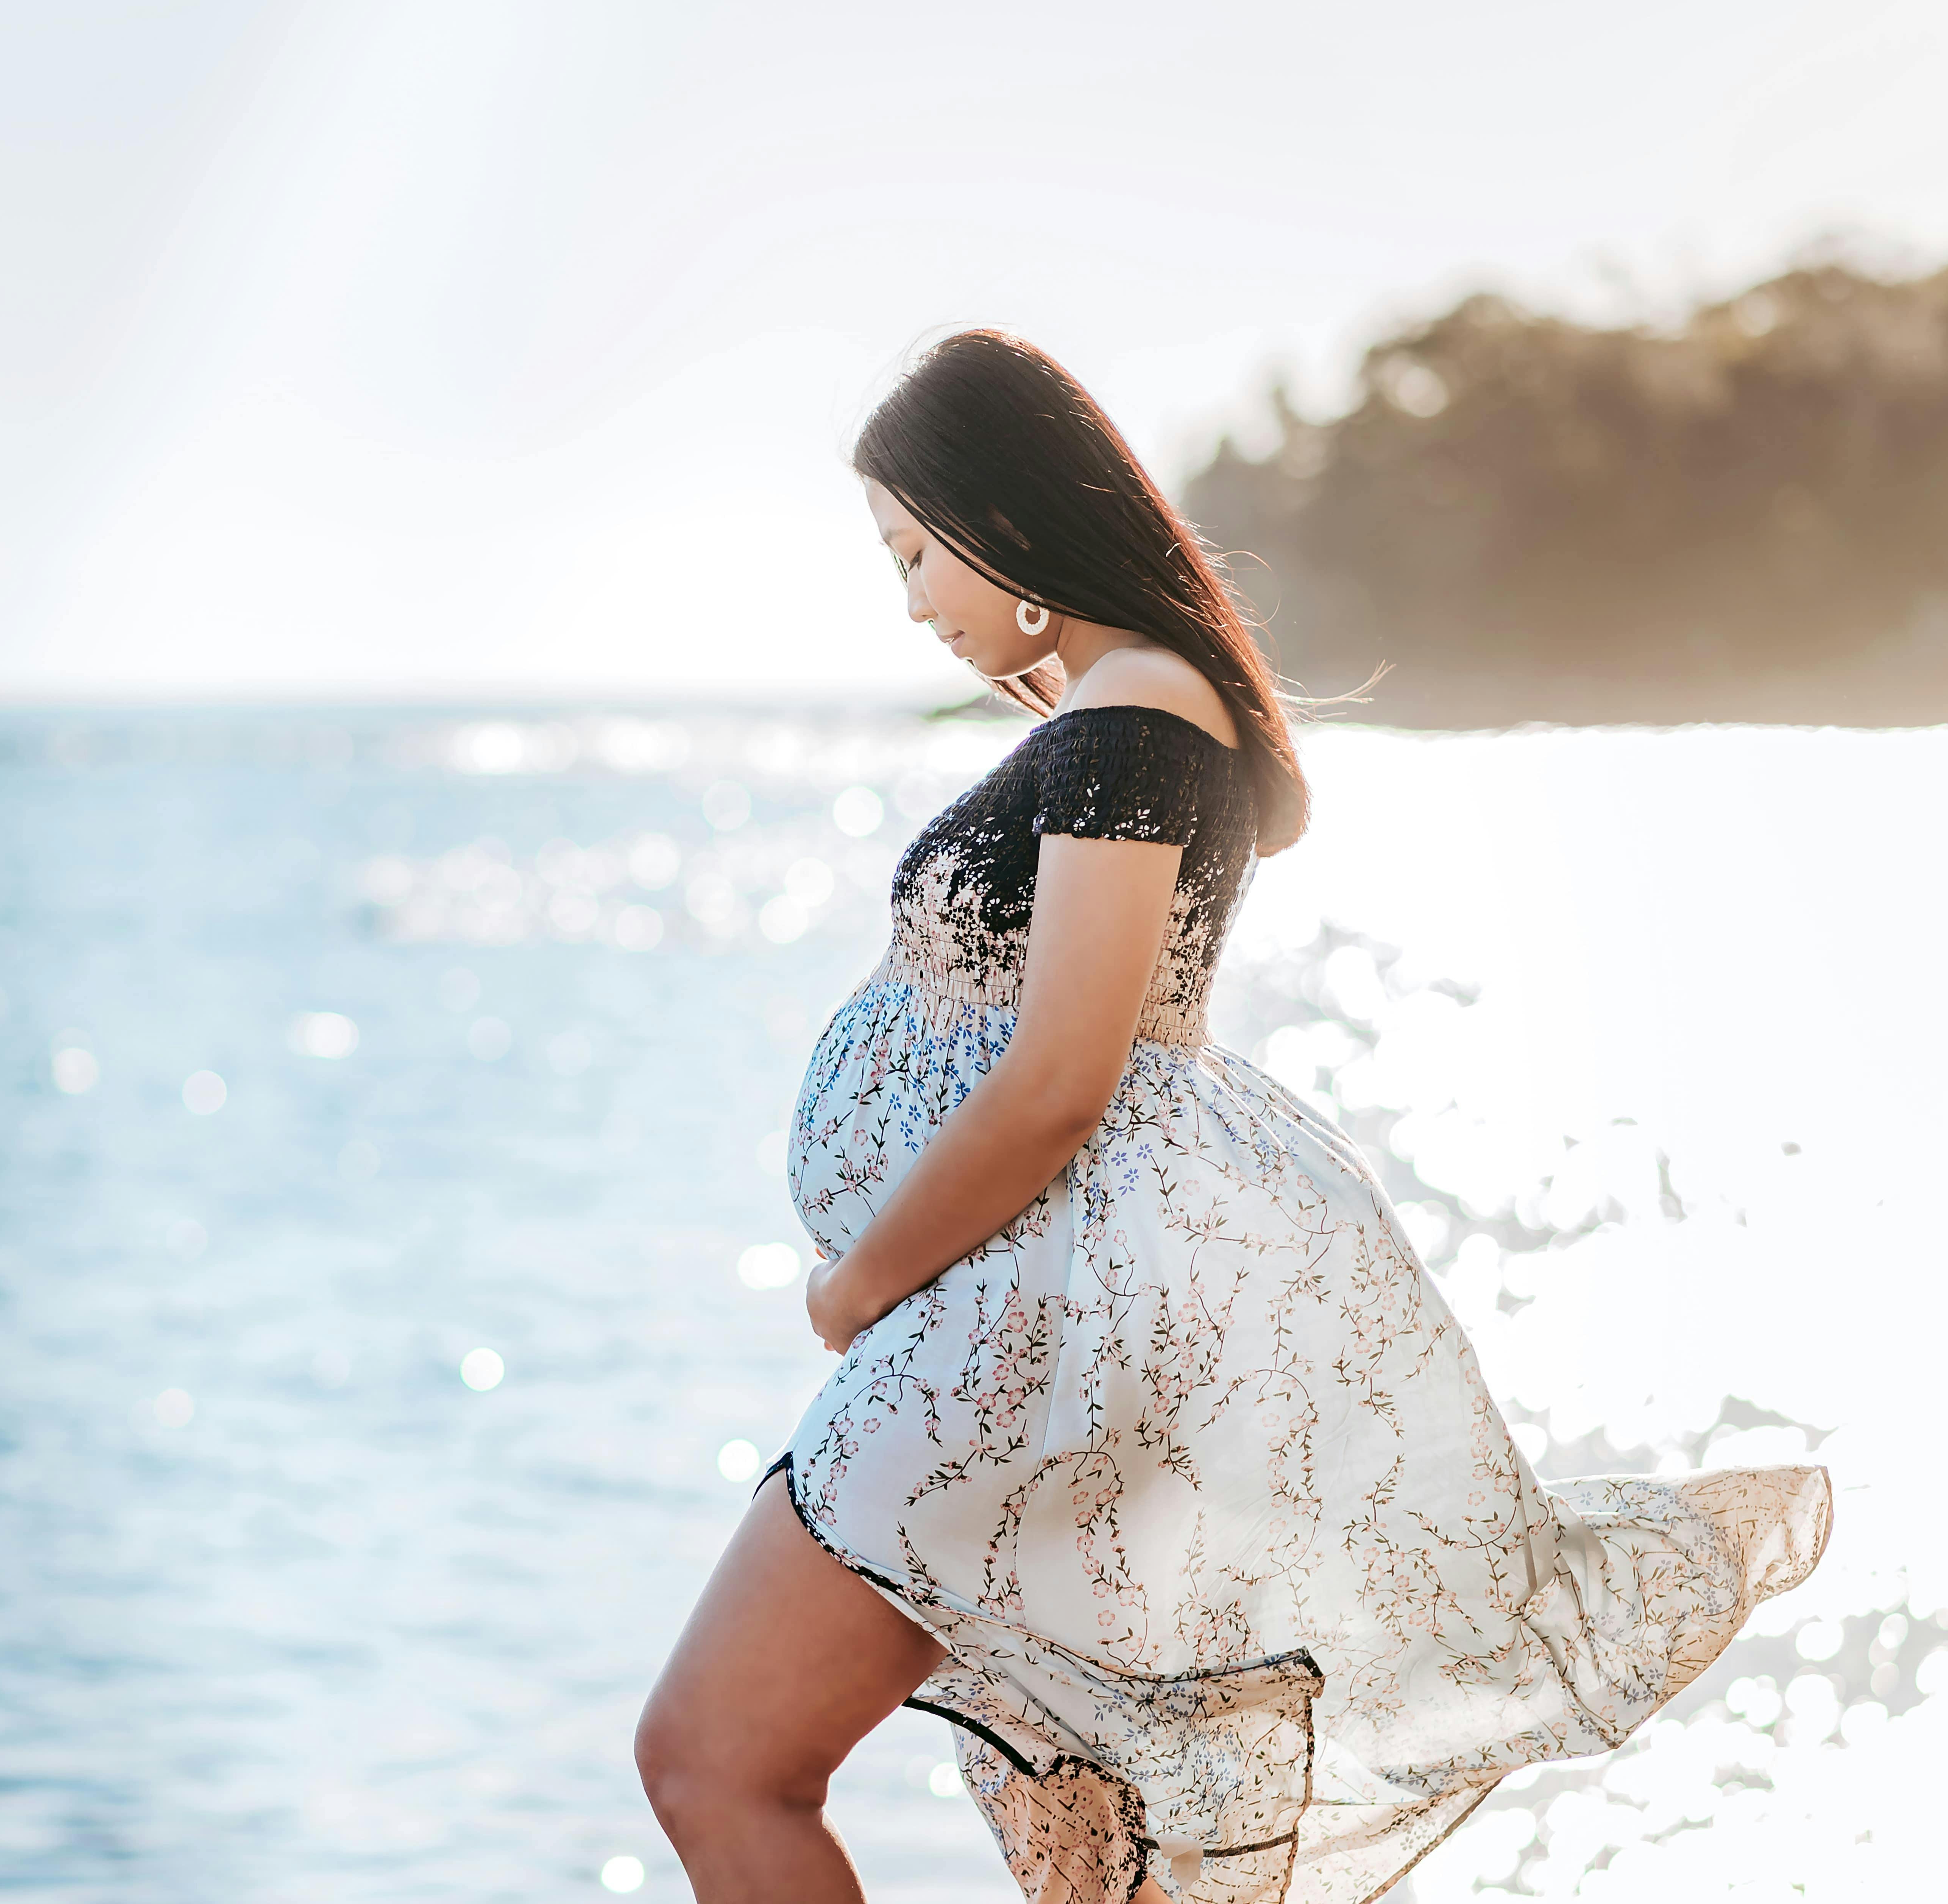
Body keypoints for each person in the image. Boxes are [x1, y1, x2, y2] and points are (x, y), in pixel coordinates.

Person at [633, 329, 1830, 1904]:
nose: (914, 599)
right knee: (1078, 1848)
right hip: (1031, 1333)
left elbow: (1067, 1074)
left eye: (916, 551)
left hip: (1018, 1338)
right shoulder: (1128, 714)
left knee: (717, 1758)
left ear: (1004, 525)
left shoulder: (1135, 720)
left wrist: (858, 1289)